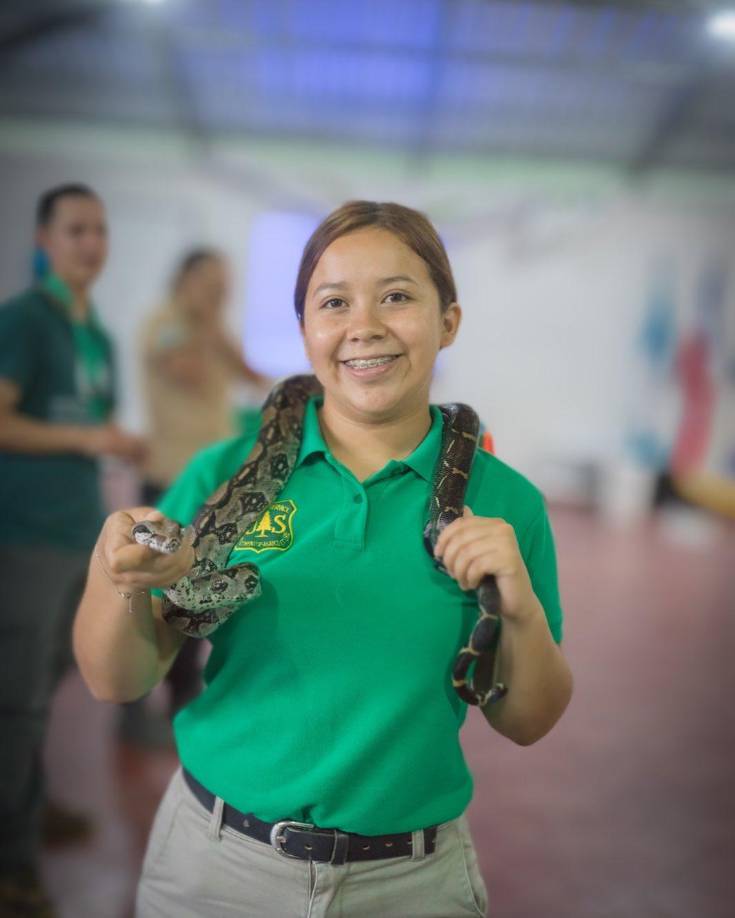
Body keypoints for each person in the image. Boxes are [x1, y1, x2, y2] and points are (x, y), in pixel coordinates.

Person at [74, 201, 573, 917]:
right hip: (214, 867)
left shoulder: (506, 505)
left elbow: (527, 721)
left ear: (448, 321)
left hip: (411, 884)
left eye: (396, 296)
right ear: (306, 329)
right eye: (333, 302)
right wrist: (119, 576)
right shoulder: (222, 472)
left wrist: (517, 604)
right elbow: (117, 679)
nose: (363, 325)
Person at [0, 183, 146, 917]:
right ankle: (12, 862)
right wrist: (92, 437)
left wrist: (111, 444)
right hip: (21, 534)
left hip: (75, 533)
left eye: (100, 229)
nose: (91, 242)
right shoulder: (23, 320)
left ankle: (27, 802)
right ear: (44, 238)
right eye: (76, 229)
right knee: (17, 707)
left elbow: (97, 421)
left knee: (43, 689)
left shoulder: (100, 338)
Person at [119, 250, 269, 743]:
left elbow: (252, 376)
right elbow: (192, 372)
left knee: (195, 594)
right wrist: (207, 323)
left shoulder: (211, 329)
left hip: (211, 487)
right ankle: (133, 706)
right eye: (209, 280)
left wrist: (214, 323)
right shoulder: (167, 325)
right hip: (170, 481)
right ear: (182, 279)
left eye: (225, 283)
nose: (219, 291)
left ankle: (180, 705)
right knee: (155, 598)